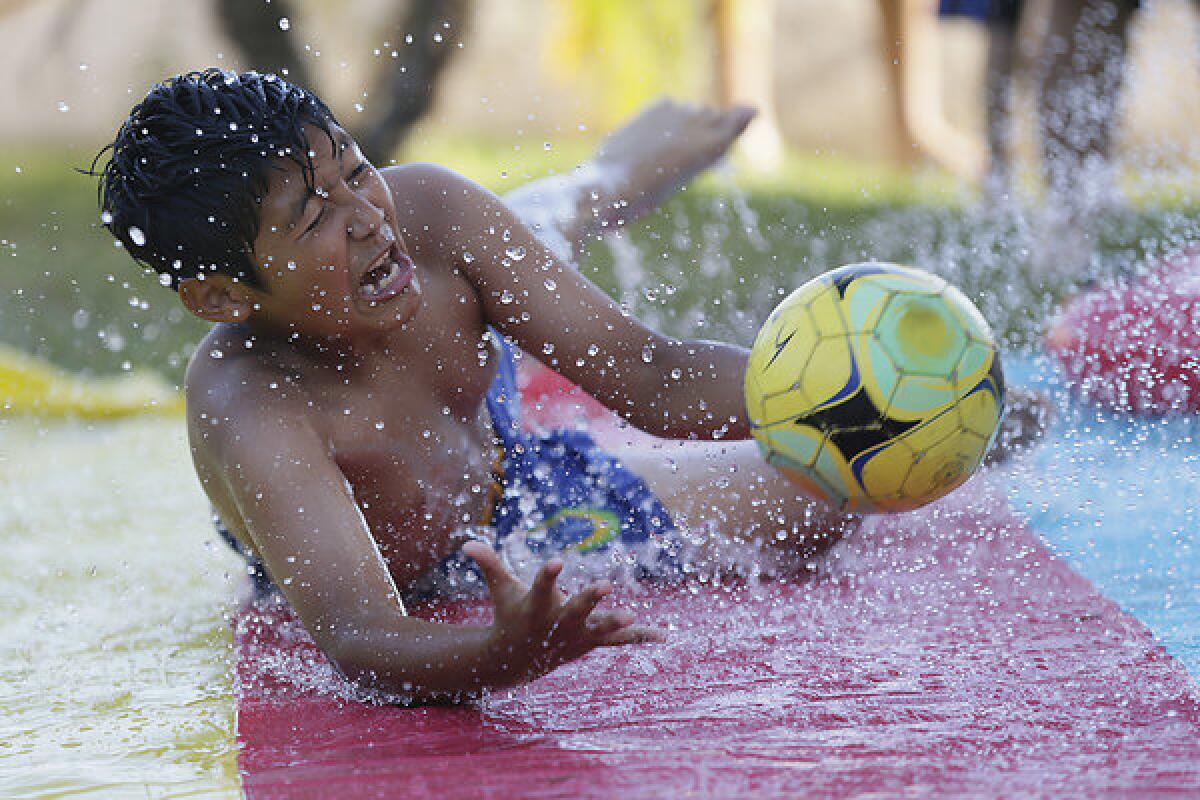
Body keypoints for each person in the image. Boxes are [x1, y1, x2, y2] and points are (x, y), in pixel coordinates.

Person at [93, 70, 1027, 702]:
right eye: (312, 221)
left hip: (512, 483)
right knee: (532, 234)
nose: (366, 220)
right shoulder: (253, 407)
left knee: (823, 497)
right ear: (221, 296)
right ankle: (602, 175)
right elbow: (360, 632)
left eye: (354, 170)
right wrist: (496, 656)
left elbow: (652, 378)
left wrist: (862, 396)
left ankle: (625, 162)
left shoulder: (430, 218)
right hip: (415, 555)